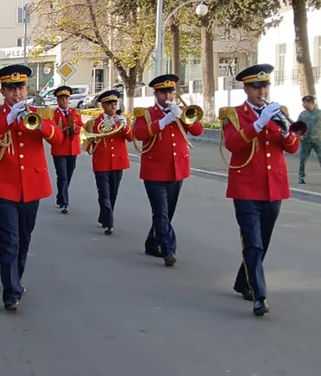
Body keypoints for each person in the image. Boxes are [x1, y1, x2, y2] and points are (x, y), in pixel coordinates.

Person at [0, 64, 62, 312]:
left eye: (21, 87)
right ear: (3, 91)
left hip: (32, 186)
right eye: (11, 88)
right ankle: (11, 291)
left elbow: (57, 139)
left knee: (24, 238)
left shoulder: (40, 113)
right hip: (3, 187)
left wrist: (40, 125)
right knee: (10, 239)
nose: (17, 93)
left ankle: (17, 277)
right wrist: (8, 119)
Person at [220, 63, 300, 316]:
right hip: (245, 186)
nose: (262, 91)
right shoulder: (232, 114)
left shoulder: (280, 111)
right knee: (252, 241)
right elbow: (233, 144)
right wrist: (257, 124)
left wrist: (287, 132)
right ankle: (259, 294)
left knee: (263, 240)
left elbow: (292, 148)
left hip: (273, 186)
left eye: (265, 86)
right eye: (256, 87)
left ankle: (243, 281)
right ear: (246, 89)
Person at [133, 74, 203, 267]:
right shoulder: (145, 113)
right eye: (164, 92)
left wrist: (180, 115)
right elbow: (139, 134)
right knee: (161, 212)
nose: (168, 96)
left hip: (177, 169)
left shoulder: (181, 112)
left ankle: (152, 242)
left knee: (167, 212)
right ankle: (169, 250)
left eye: (171, 92)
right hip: (154, 170)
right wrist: (163, 121)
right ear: (155, 94)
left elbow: (198, 131)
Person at [84, 90, 132, 235]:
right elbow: (87, 144)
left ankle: (104, 216)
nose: (112, 106)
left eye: (114, 103)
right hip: (101, 161)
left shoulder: (122, 120)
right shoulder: (94, 123)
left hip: (118, 161)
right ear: (102, 105)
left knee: (113, 192)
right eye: (109, 104)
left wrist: (124, 127)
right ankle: (109, 223)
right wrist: (94, 140)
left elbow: (130, 138)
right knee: (103, 192)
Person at [49, 86, 83, 214]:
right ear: (57, 100)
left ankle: (60, 195)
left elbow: (80, 125)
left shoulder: (75, 112)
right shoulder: (52, 114)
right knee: (62, 175)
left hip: (72, 148)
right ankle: (65, 202)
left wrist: (75, 128)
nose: (64, 101)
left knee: (68, 175)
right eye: (61, 98)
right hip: (59, 149)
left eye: (66, 98)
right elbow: (51, 130)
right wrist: (61, 130)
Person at [297, 95, 321, 184]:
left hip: (318, 140)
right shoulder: (303, 114)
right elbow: (297, 126)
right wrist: (299, 134)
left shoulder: (319, 113)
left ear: (312, 103)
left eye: (305, 103)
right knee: (303, 159)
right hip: (305, 140)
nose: (303, 105)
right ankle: (301, 177)